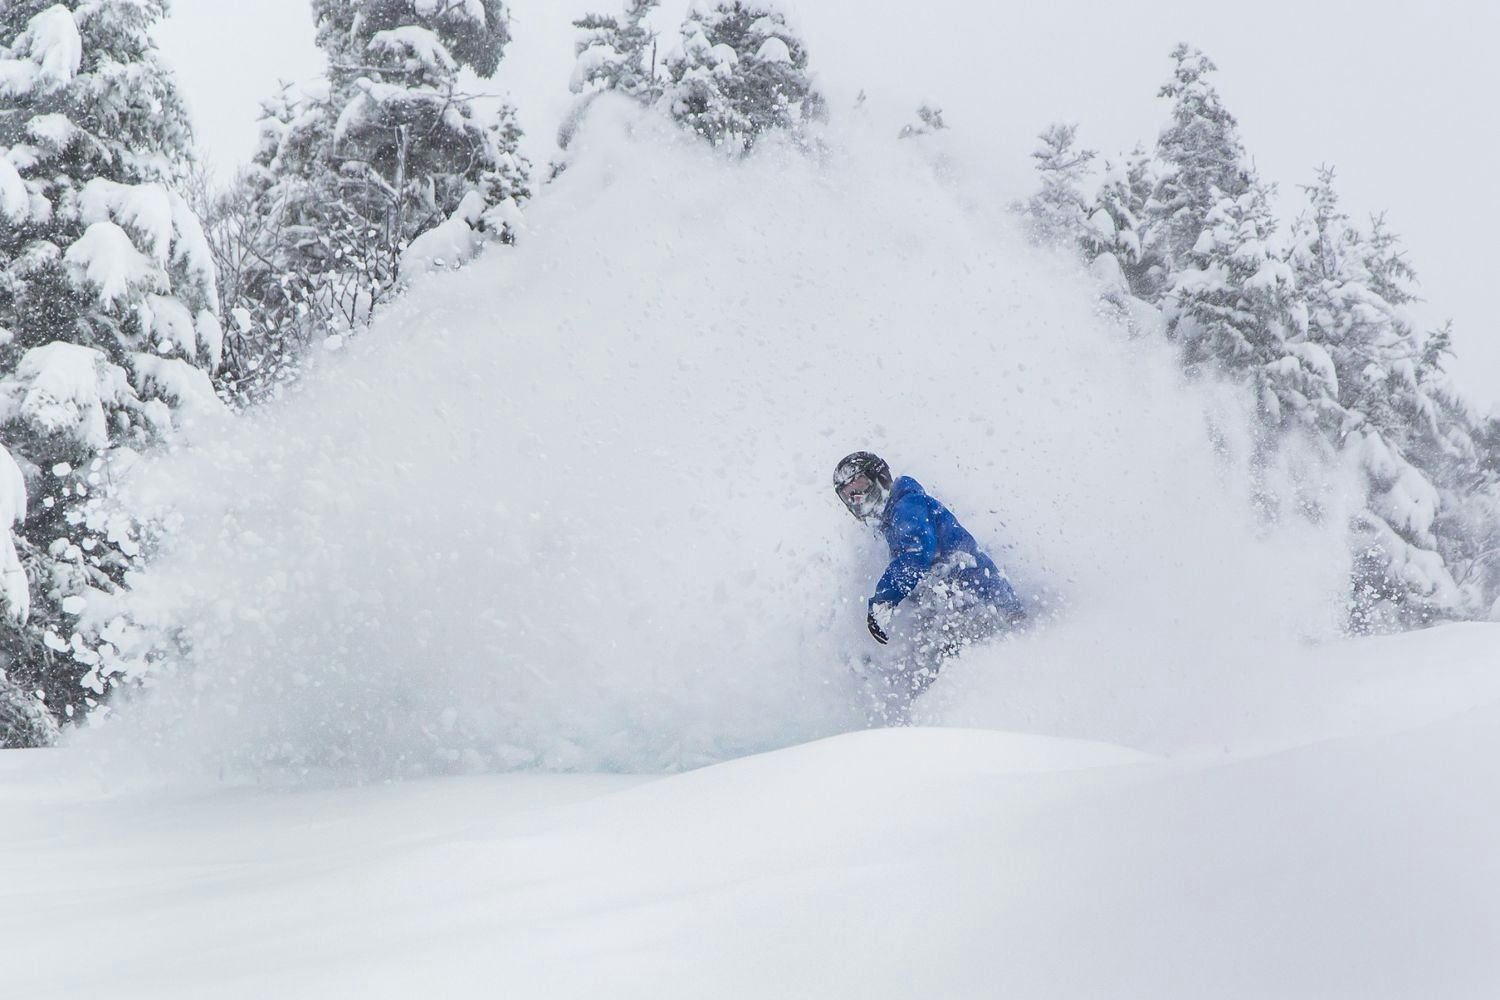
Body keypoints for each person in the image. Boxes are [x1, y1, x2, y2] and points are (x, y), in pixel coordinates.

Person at [833, 452, 1025, 710]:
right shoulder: (890, 520)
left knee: (970, 680)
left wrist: (884, 600)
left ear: (880, 478)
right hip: (957, 607)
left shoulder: (907, 506)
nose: (857, 499)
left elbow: (916, 554)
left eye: (861, 487)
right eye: (849, 496)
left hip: (981, 603)